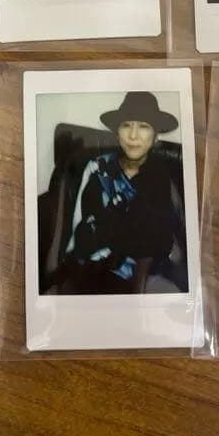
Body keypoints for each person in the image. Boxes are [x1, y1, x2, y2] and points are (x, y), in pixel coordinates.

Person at [50, 92, 179, 295]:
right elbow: (76, 231)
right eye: (126, 125)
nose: (133, 135)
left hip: (138, 276)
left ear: (155, 137)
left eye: (143, 126)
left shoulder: (160, 179)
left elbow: (159, 245)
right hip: (91, 268)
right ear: (117, 133)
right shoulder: (96, 169)